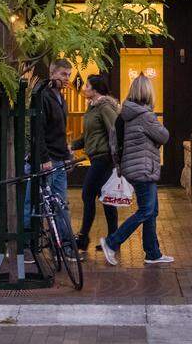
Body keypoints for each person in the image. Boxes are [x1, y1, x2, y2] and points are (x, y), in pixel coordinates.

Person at [100, 75, 171, 265]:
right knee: (146, 211)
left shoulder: (123, 115)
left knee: (152, 210)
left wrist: (119, 165)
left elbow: (114, 143)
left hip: (131, 168)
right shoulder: (146, 116)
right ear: (148, 92)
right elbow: (164, 136)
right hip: (144, 169)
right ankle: (111, 242)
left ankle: (153, 253)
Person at [71, 74, 119, 251]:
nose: (84, 88)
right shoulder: (91, 108)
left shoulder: (104, 107)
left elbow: (115, 130)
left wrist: (115, 156)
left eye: (87, 86)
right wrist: (73, 145)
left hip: (104, 158)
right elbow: (88, 135)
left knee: (87, 194)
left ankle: (84, 238)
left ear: (96, 90)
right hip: (96, 158)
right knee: (106, 198)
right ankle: (114, 240)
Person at [32, 59, 73, 221]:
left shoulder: (60, 98)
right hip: (49, 159)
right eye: (63, 74)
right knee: (40, 203)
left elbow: (59, 130)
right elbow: (38, 130)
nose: (66, 78)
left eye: (69, 75)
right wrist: (44, 158)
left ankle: (65, 243)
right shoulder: (43, 95)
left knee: (61, 203)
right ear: (52, 73)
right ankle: (30, 242)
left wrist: (67, 154)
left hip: (60, 159)